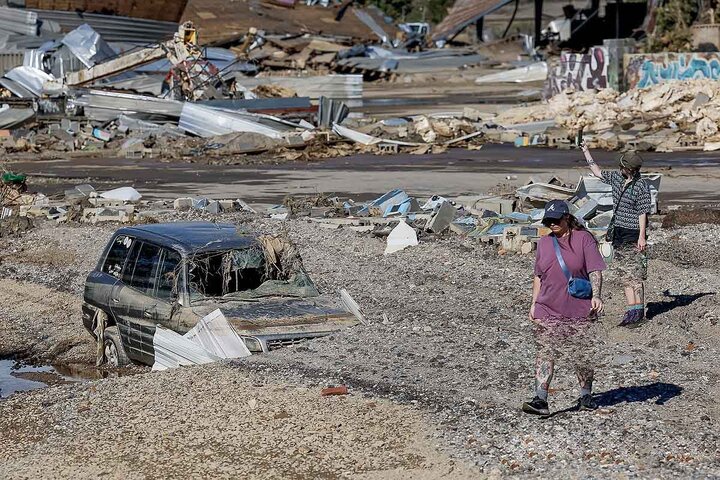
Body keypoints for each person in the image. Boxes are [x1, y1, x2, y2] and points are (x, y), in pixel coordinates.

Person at [523, 200, 606, 416]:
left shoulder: (584, 239)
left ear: (566, 218)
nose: (552, 224)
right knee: (545, 352)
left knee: (581, 354)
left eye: (556, 219)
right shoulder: (544, 243)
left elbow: (595, 270)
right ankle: (540, 399)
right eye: (548, 220)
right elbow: (538, 277)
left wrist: (596, 296)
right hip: (548, 307)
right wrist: (533, 304)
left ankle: (585, 395)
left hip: (580, 309)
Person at [580, 144, 652, 328]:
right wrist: (586, 151)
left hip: (634, 233)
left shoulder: (642, 186)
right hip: (618, 231)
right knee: (623, 274)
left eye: (622, 166)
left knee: (635, 274)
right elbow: (597, 172)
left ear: (629, 168)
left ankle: (639, 312)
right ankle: (631, 311)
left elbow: (643, 212)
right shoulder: (617, 178)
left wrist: (642, 237)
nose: (619, 168)